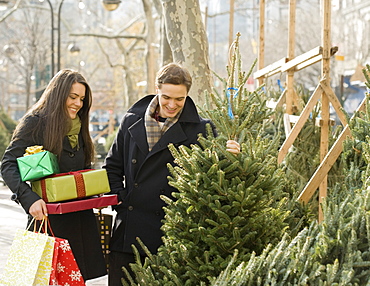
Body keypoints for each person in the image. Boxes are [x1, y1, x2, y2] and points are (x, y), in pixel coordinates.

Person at [103, 62, 240, 285]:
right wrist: (121, 199)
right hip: (128, 232)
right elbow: (112, 167)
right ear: (156, 89)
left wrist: (231, 156)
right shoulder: (131, 120)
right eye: (166, 97)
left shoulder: (201, 129)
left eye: (180, 99)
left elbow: (213, 176)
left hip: (171, 235)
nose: (172, 104)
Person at [1, 69, 107, 281]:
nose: (78, 103)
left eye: (82, 99)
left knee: (77, 280)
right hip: (48, 220)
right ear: (59, 94)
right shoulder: (36, 122)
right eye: (73, 97)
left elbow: (82, 169)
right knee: (43, 279)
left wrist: (96, 195)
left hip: (80, 219)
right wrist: (29, 199)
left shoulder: (80, 127)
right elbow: (8, 164)